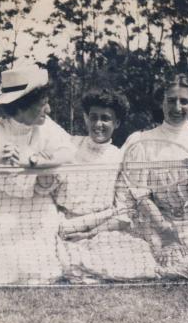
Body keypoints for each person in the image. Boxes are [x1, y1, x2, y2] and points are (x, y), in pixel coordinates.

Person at [0, 67, 75, 285]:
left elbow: (68, 153)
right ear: (21, 107)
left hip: (40, 211)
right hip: (4, 210)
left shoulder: (48, 127)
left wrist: (35, 162)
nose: (48, 109)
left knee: (40, 270)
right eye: (42, 104)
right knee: (1, 269)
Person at [54, 89, 159, 282]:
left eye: (105, 118)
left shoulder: (119, 157)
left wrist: (88, 234)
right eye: (93, 117)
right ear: (85, 118)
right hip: (64, 225)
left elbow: (123, 214)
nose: (98, 124)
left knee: (139, 258)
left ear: (117, 123)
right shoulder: (69, 146)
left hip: (102, 228)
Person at [122, 73, 188, 272]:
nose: (177, 108)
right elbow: (140, 195)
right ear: (161, 102)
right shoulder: (142, 141)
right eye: (171, 101)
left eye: (184, 101)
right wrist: (166, 234)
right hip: (157, 227)